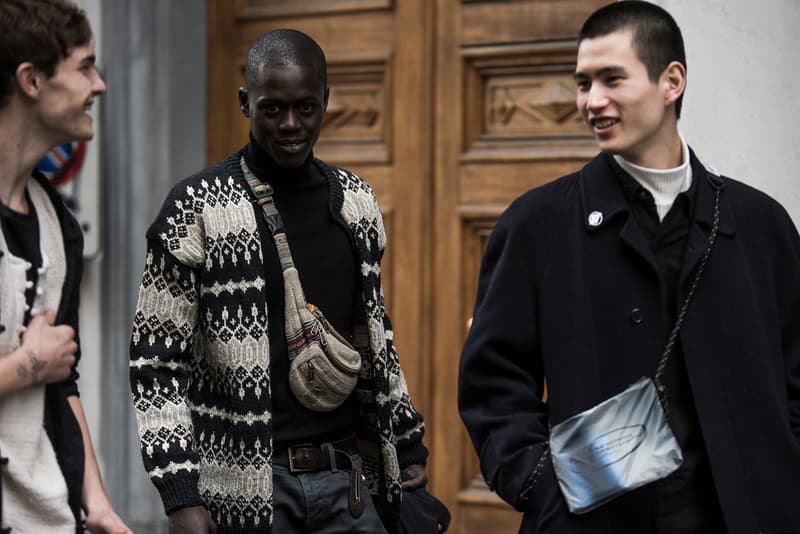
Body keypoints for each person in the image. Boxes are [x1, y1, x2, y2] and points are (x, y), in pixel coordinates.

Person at [458, 1, 800, 533]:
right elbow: (494, 386)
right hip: (593, 522)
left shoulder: (761, 225)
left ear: (672, 82)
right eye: (583, 83)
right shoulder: (537, 224)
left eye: (611, 79)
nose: (593, 101)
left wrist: (781, 482)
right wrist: (544, 487)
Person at [129, 29, 429, 534]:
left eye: (306, 108)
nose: (291, 124)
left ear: (326, 102)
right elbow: (155, 363)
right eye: (272, 109)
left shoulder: (355, 202)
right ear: (246, 103)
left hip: (346, 483)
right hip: (242, 490)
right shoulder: (195, 209)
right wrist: (179, 492)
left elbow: (375, 334)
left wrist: (404, 439)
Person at [0, 1, 131, 533]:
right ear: (32, 80)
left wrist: (96, 504)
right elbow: (46, 362)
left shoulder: (59, 223)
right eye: (84, 67)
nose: (98, 85)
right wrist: (26, 363)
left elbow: (64, 381)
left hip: (47, 518)